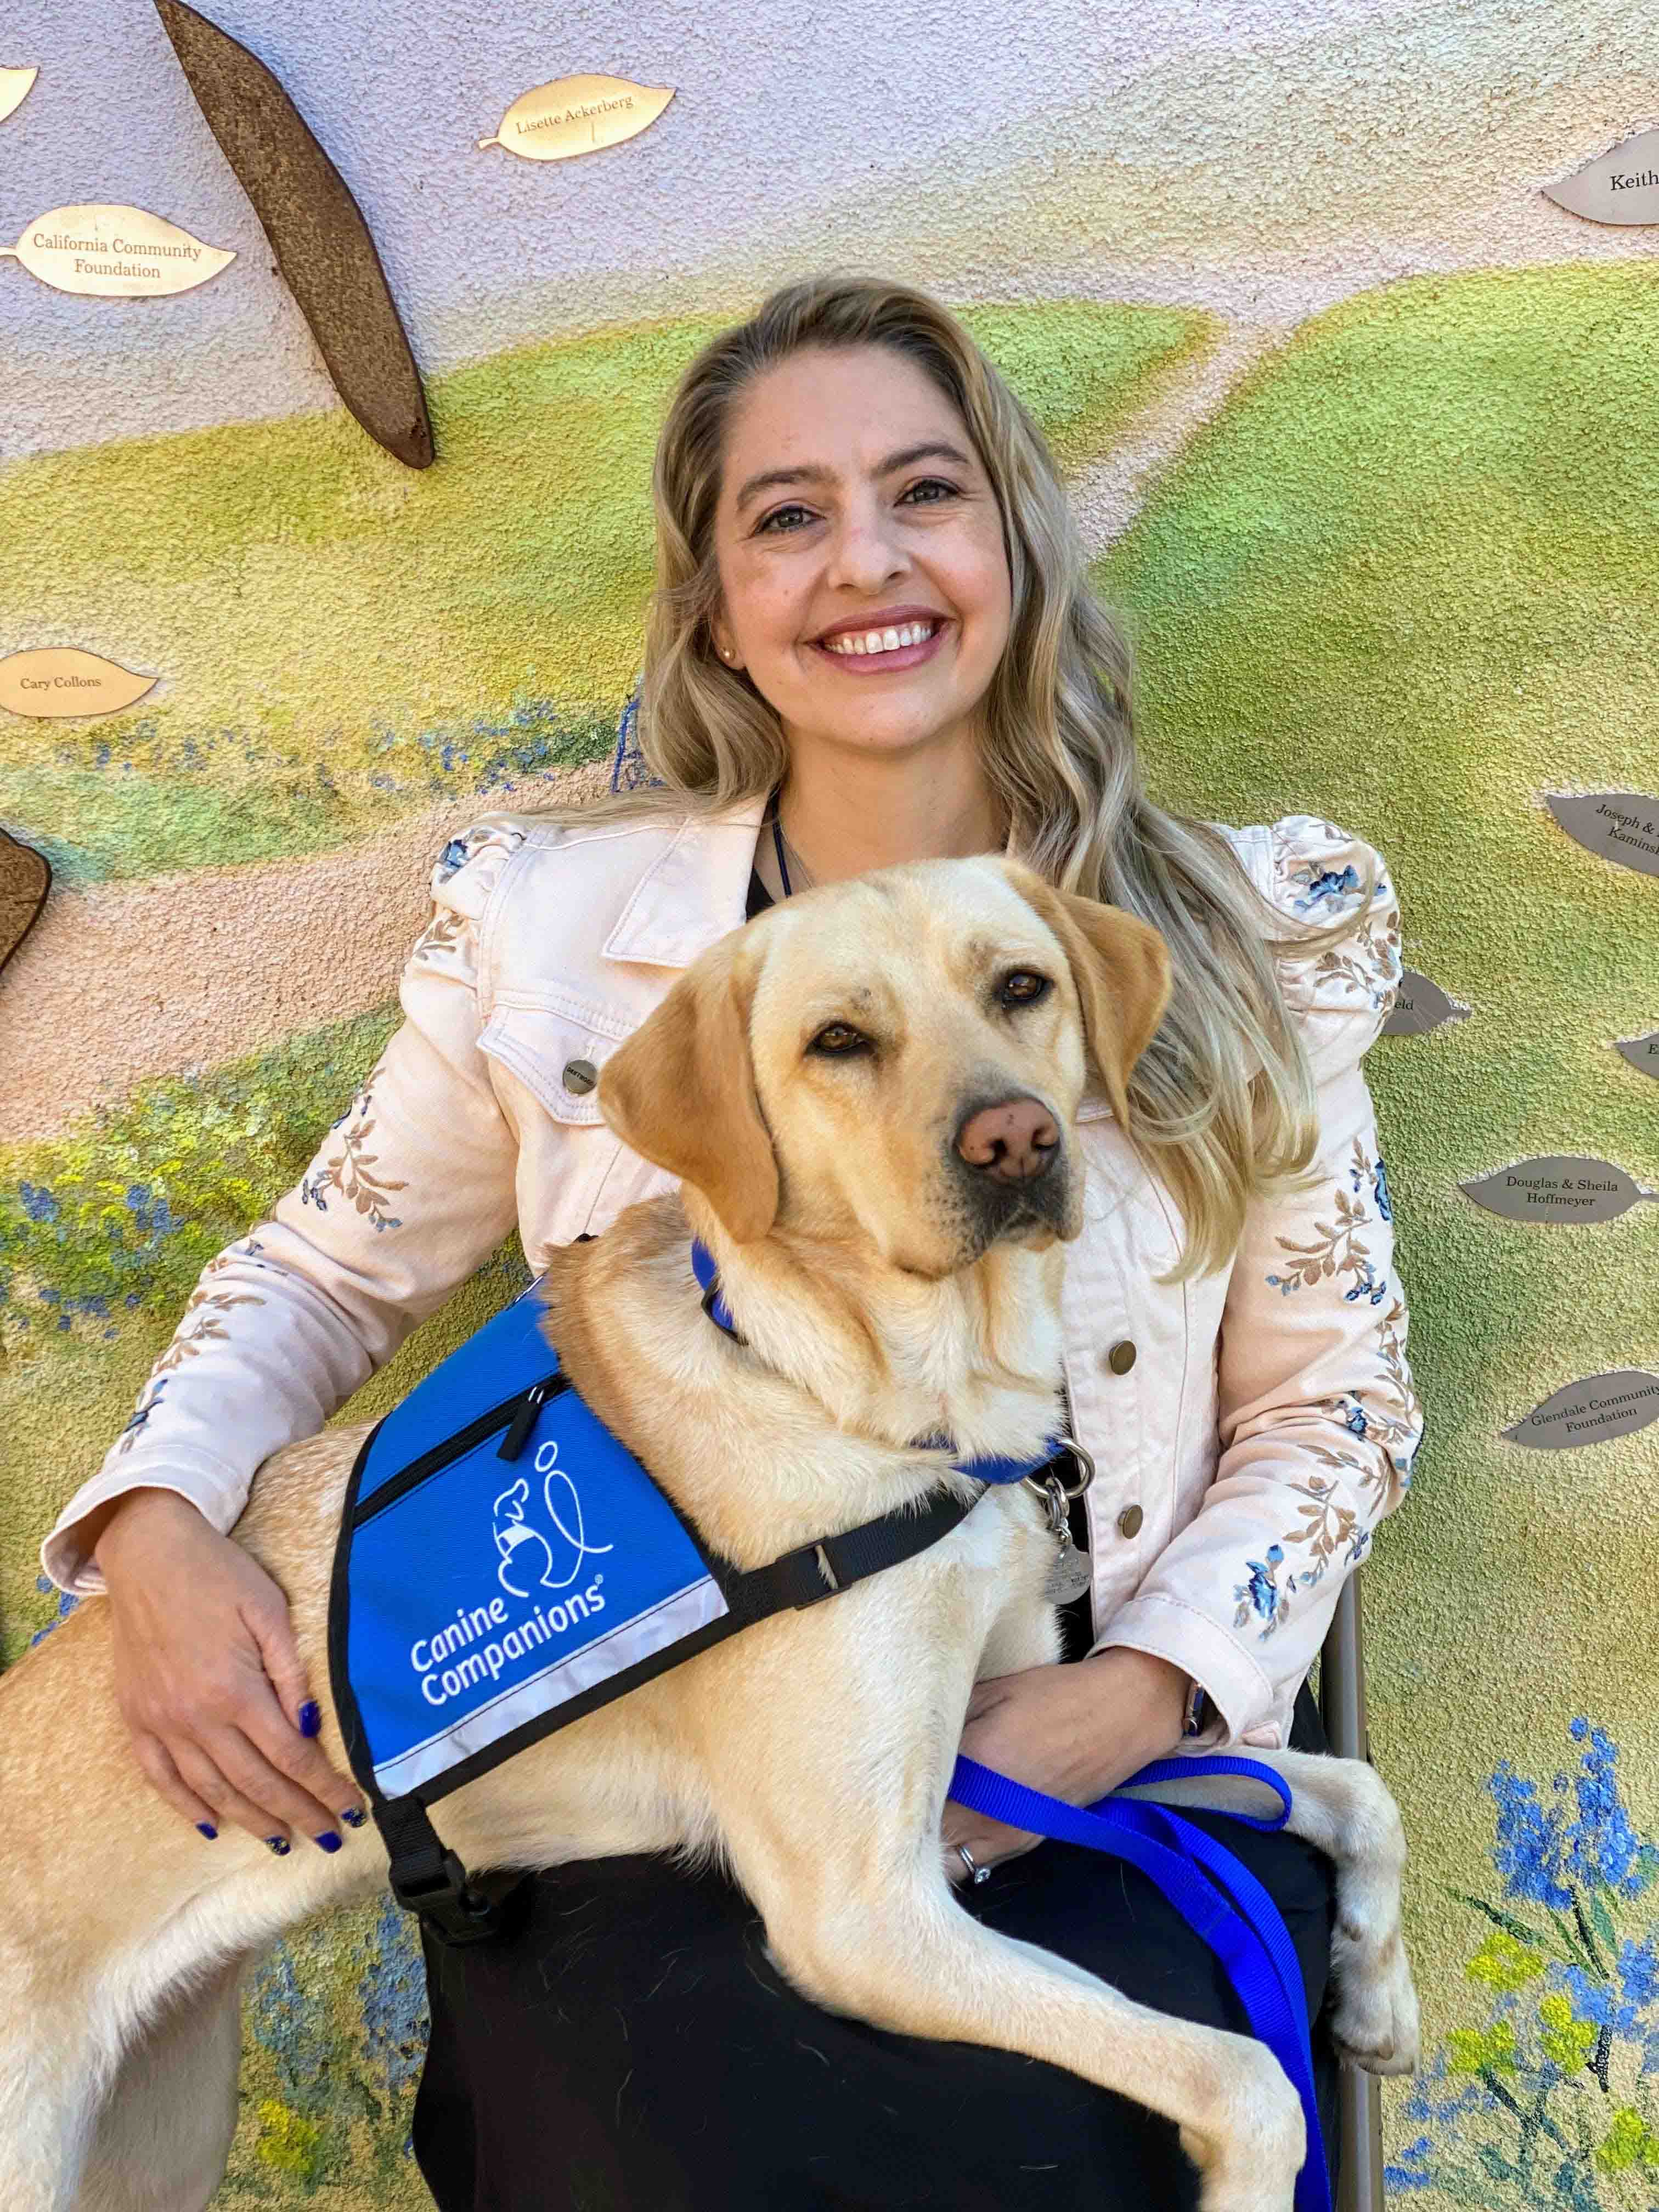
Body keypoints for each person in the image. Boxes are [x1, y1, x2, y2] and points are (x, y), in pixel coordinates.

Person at [43, 274, 1424, 2211]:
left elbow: (1337, 1407)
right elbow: (320, 1275)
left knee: (997, 2155)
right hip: (643, 1806)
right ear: (713, 605)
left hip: (1081, 1761)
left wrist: (1144, 1692)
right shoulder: (554, 938)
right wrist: (161, 1525)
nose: (869, 560)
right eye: (788, 516)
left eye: (926, 491)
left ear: (1011, 541)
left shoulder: (1236, 936)